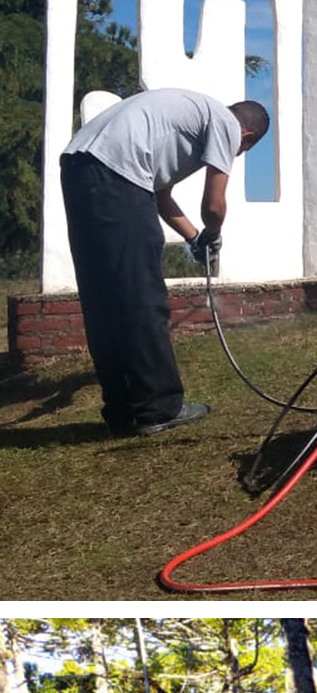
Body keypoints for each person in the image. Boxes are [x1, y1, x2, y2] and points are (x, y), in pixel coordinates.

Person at [59, 88, 270, 435]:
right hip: (118, 177)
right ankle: (158, 408)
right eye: (243, 150)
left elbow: (160, 196)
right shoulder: (225, 122)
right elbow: (213, 207)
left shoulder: (181, 121)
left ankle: (123, 411)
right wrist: (213, 233)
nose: (236, 153)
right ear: (246, 137)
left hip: (79, 168)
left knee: (104, 299)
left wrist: (194, 239)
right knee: (143, 298)